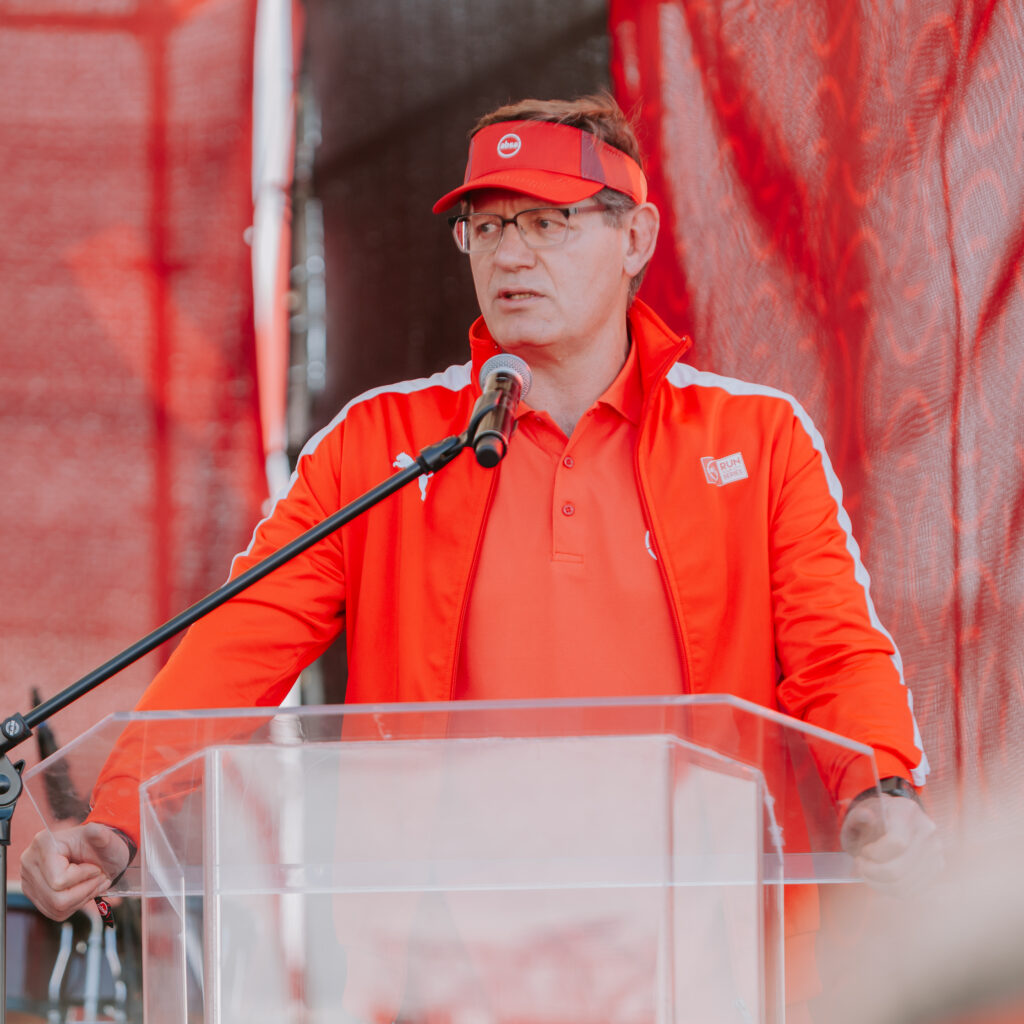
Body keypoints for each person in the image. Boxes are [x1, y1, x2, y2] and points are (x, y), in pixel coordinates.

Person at [22, 94, 938, 1015]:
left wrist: (881, 788)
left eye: (548, 221)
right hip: (441, 973)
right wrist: (117, 818)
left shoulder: (756, 435)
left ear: (637, 237)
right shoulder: (379, 445)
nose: (510, 254)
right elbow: (232, 652)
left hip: (695, 958)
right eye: (487, 224)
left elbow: (834, 650)